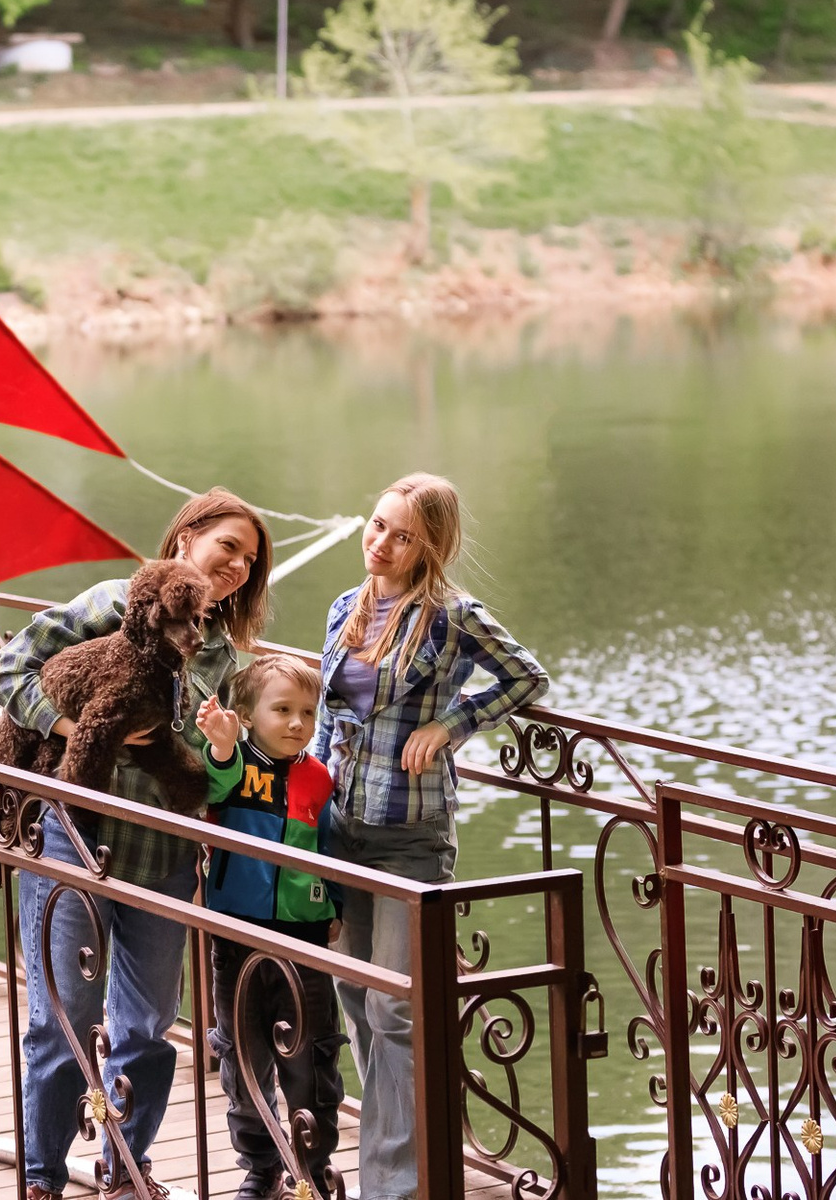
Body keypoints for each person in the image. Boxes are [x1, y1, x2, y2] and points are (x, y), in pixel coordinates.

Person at [0, 488, 274, 1200]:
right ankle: (42, 1177)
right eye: (228, 546)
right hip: (74, 836)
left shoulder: (220, 655)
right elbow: (8, 672)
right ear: (185, 538)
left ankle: (125, 1163)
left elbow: (217, 770)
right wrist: (72, 730)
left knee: (147, 1024)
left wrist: (220, 751)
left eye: (249, 559)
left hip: (163, 852)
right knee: (64, 1015)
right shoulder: (114, 603)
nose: (238, 565)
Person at [310, 472, 549, 1200]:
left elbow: (526, 678)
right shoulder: (346, 608)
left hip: (410, 834)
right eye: (377, 524)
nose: (381, 543)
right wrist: (303, 812)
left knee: (396, 1007)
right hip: (340, 828)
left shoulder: (453, 617)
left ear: (431, 547)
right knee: (356, 995)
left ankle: (396, 1183)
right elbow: (326, 722)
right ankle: (393, 1153)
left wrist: (453, 724)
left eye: (403, 536)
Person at [195, 655, 346, 1200]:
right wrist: (221, 745)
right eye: (281, 710)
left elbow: (330, 848)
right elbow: (213, 787)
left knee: (311, 1056)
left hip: (304, 935)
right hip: (236, 931)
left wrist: (335, 906)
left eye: (308, 712)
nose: (297, 723)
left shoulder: (319, 777)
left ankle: (312, 1167)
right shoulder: (235, 766)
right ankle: (261, 1169)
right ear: (247, 715)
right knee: (243, 1054)